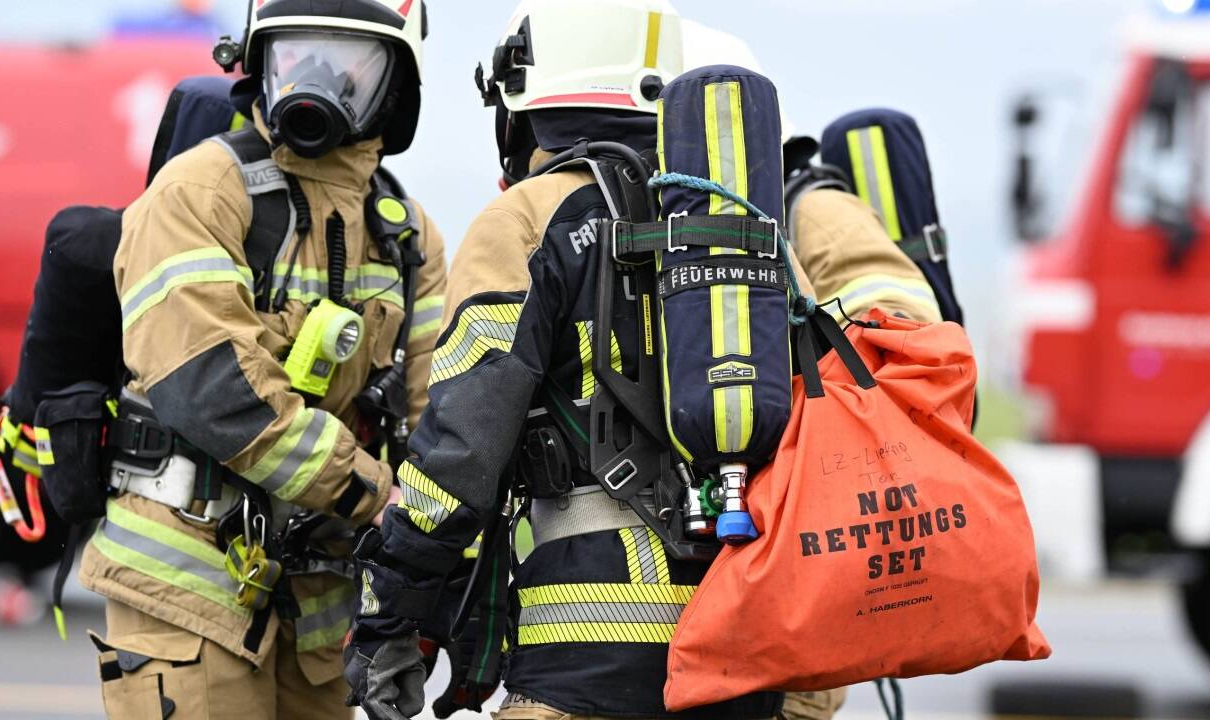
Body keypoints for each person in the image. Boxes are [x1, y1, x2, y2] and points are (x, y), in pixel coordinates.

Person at [345, 1, 942, 719]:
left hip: (585, 653)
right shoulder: (748, 231)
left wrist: (394, 607)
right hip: (748, 642)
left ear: (524, 108)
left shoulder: (529, 216)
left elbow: (462, 443)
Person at [78, 1, 447, 718]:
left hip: (320, 611)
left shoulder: (406, 236)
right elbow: (212, 389)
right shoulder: (198, 193)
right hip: (184, 589)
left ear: (397, 87)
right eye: (293, 54)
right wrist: (375, 494)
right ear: (255, 61)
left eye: (348, 62)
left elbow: (438, 413)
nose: (314, 78)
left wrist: (422, 583)